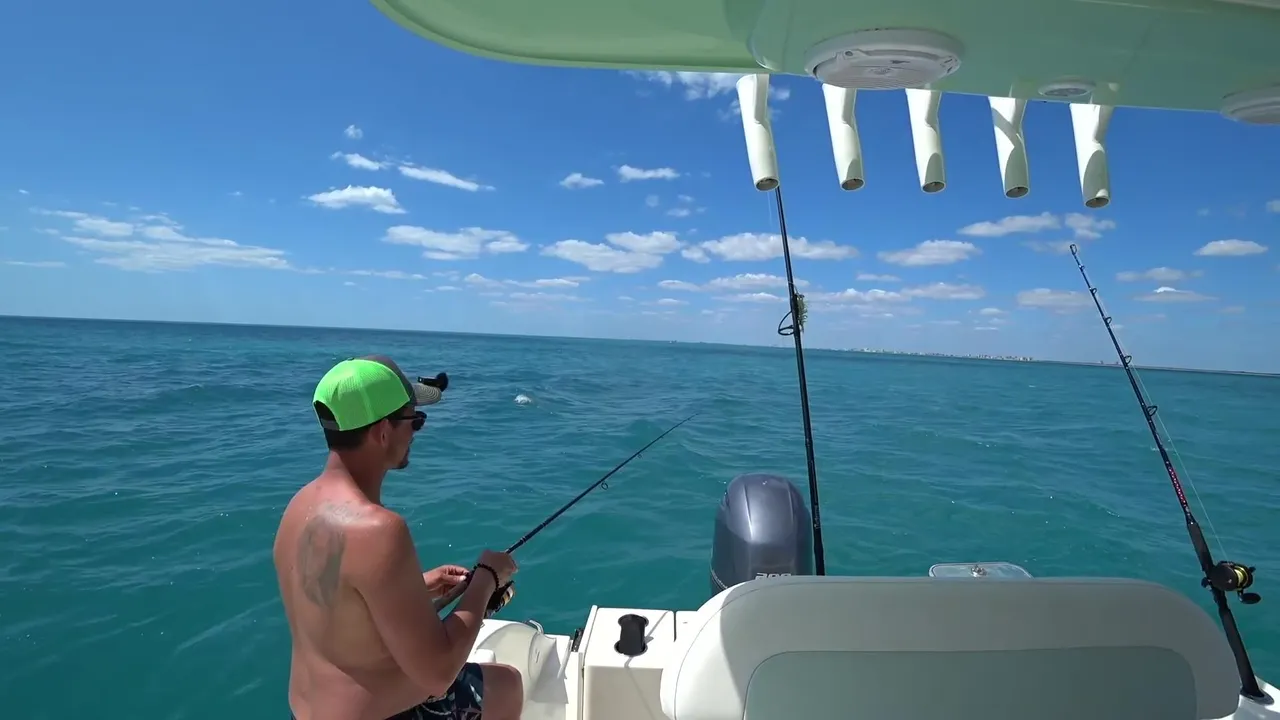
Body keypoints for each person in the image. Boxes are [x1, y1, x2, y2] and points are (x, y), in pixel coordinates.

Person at [273, 355, 524, 720]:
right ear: (382, 432)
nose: (416, 432)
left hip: (307, 710)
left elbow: (333, 603)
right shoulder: (379, 529)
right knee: (507, 686)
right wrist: (487, 578)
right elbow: (438, 674)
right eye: (415, 420)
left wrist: (416, 587)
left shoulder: (299, 507)